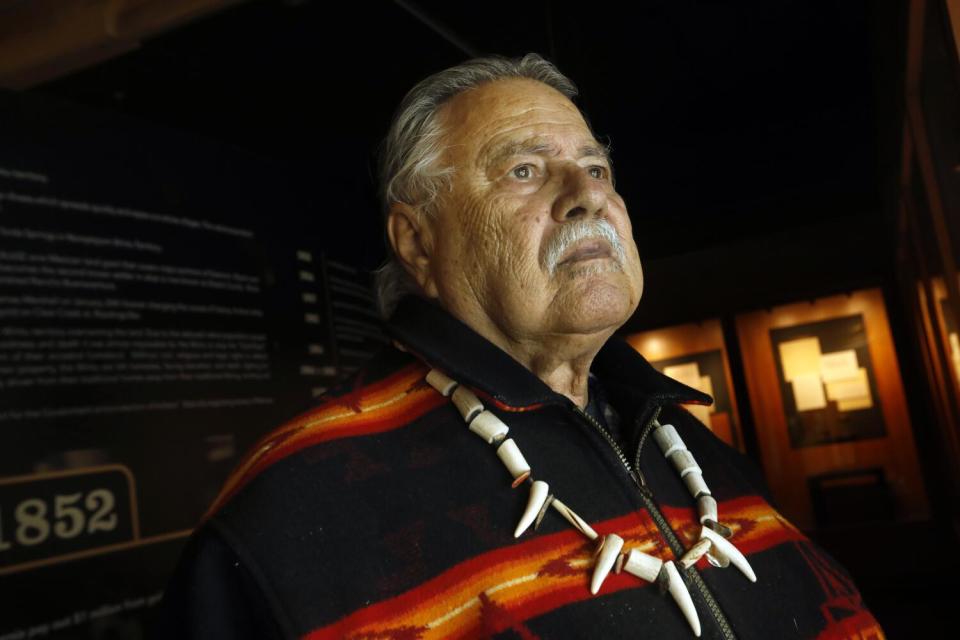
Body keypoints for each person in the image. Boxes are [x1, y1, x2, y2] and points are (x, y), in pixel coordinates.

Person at [158, 54, 884, 639]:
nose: (587, 195)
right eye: (525, 170)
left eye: (596, 169)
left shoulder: (690, 446)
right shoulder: (295, 506)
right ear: (417, 241)